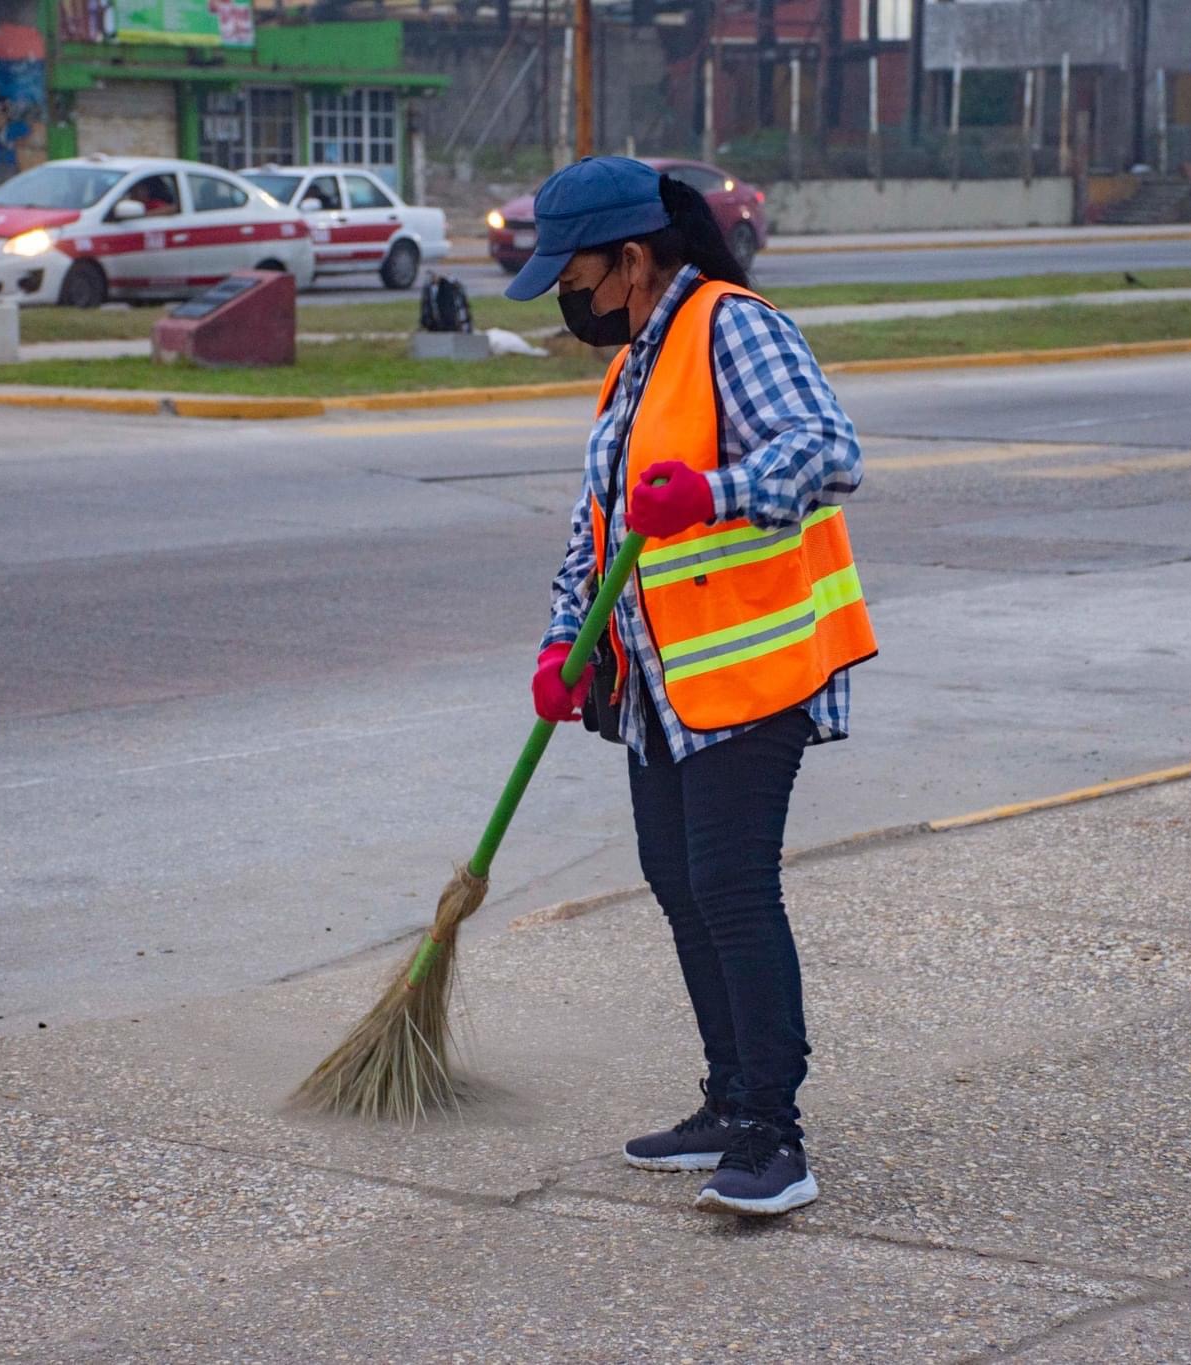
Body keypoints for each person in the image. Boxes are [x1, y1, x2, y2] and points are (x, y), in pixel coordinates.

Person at [509, 157, 876, 1217]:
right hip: (657, 686)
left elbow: (826, 449)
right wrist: (560, 643)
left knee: (729, 889)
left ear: (630, 258)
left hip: (749, 670)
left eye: (573, 275)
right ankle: (726, 1100)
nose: (568, 299)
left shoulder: (730, 326)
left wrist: (712, 491)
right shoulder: (637, 359)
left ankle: (774, 1135)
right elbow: (599, 525)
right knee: (676, 885)